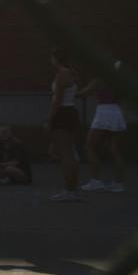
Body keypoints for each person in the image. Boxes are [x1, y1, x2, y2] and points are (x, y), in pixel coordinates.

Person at [81, 65, 127, 193]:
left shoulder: (98, 80)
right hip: (116, 111)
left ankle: (95, 181)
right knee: (114, 149)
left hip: (103, 112)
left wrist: (69, 92)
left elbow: (83, 93)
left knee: (90, 146)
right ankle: (118, 184)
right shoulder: (118, 81)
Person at [46, 48, 83, 202]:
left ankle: (69, 191)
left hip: (62, 113)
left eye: (52, 58)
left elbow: (58, 100)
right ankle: (72, 190)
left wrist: (49, 119)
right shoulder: (71, 73)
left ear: (55, 58)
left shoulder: (61, 74)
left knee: (65, 154)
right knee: (70, 153)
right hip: (71, 112)